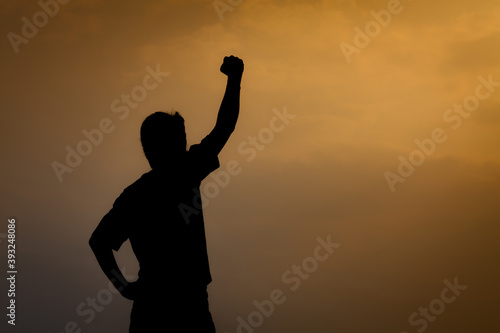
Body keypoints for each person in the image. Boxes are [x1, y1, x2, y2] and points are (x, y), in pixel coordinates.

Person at [89, 55, 244, 332]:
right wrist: (235, 79)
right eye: (181, 139)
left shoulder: (134, 196)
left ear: (146, 150)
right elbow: (224, 127)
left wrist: (123, 286)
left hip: (153, 309)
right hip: (188, 308)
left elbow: (98, 241)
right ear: (174, 143)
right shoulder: (185, 171)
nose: (186, 144)